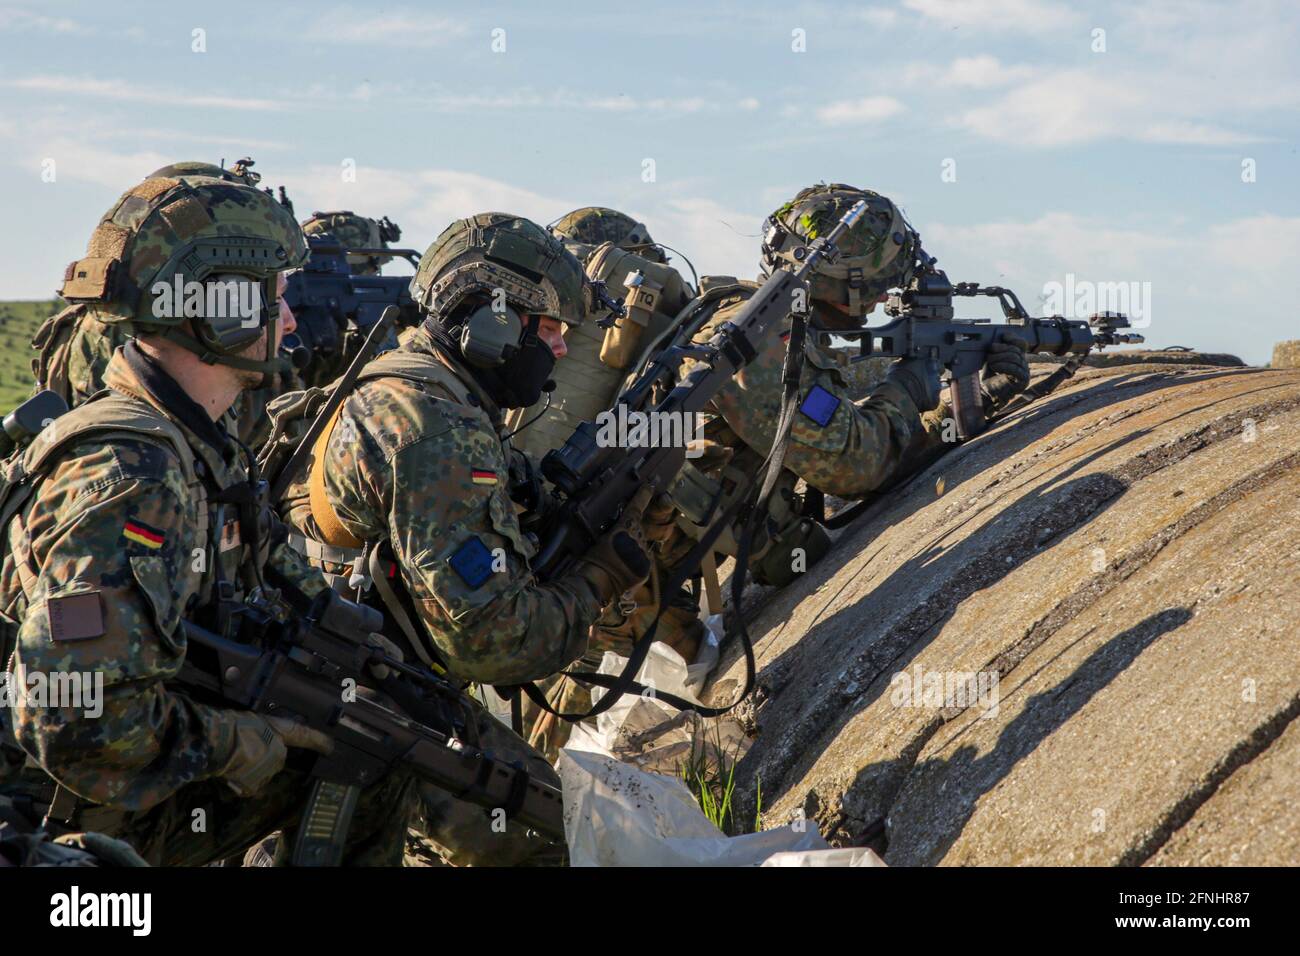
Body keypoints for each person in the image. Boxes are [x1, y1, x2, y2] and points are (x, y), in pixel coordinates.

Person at [0, 173, 412, 866]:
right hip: (48, 810)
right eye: (274, 299)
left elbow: (275, 587)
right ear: (220, 311)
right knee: (360, 768)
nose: (287, 321)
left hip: (95, 779)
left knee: (373, 745)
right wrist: (248, 741)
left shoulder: (199, 445)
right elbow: (78, 723)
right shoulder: (132, 475)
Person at [274, 211, 654, 864]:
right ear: (492, 322)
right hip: (359, 713)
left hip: (345, 685)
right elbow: (497, 645)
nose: (560, 350)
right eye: (550, 330)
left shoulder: (407, 381)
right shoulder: (436, 428)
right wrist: (598, 581)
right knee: (558, 838)